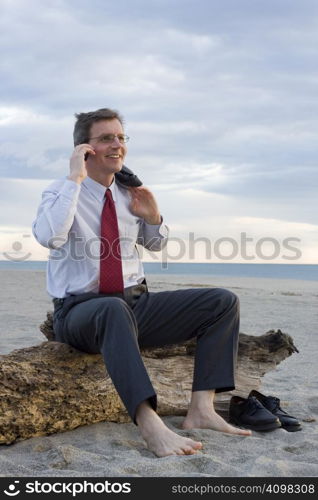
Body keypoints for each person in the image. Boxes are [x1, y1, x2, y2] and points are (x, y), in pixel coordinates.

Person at [32, 108, 251, 458]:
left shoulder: (126, 193)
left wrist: (154, 217)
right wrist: (75, 179)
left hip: (136, 306)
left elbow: (156, 243)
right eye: (106, 138)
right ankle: (149, 424)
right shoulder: (60, 191)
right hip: (80, 314)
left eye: (121, 138)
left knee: (222, 302)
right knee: (112, 308)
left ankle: (201, 410)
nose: (117, 145)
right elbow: (49, 236)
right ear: (84, 150)